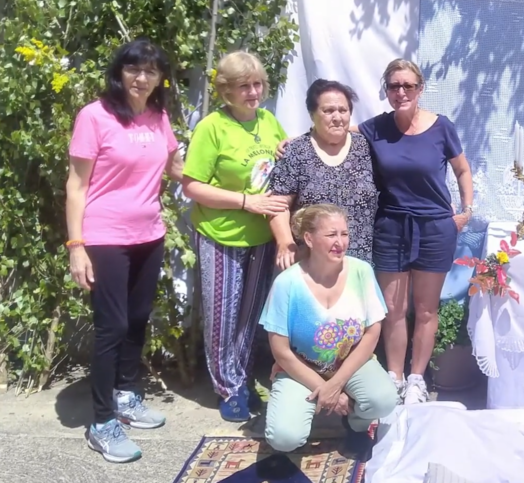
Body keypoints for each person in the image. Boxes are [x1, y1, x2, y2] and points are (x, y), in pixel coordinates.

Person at [66, 38, 183, 463]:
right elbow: (76, 186)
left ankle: (126, 395)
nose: (141, 78)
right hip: (104, 236)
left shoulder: (158, 116)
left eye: (150, 71)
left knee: (136, 319)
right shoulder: (94, 117)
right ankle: (101, 422)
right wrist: (76, 246)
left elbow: (173, 164)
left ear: (159, 78)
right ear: (119, 73)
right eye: (134, 69)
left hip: (149, 234)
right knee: (111, 326)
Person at [181, 51, 290, 422]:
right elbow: (192, 185)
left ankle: (239, 379)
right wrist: (245, 201)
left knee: (248, 317)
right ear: (226, 90)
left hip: (262, 236)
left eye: (257, 83)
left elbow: (282, 162)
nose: (253, 91)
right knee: (222, 316)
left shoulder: (268, 121)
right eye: (244, 85)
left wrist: (284, 149)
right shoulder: (212, 126)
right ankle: (226, 387)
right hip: (221, 234)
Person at [358, 59, 474, 405]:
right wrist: (291, 142)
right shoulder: (375, 128)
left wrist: (466, 211)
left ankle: (417, 379)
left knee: (425, 310)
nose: (401, 92)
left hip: (435, 228)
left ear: (420, 89)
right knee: (393, 309)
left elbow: (462, 170)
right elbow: (335, 131)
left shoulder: (442, 127)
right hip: (391, 226)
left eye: (408, 85)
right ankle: (394, 377)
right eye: (394, 86)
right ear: (386, 90)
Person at [262, 204, 397, 458]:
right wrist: (327, 391)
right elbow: (281, 351)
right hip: (300, 368)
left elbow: (372, 333)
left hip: (350, 363)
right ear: (309, 239)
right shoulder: (286, 283)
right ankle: (303, 416)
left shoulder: (361, 271)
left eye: (344, 234)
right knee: (283, 437)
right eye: (331, 235)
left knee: (383, 400)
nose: (340, 242)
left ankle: (356, 426)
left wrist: (336, 384)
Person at [268, 79, 377, 270]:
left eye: (343, 110)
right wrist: (285, 242)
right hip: (310, 263)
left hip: (359, 263)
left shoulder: (365, 147)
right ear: (312, 114)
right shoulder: (296, 151)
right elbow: (278, 204)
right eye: (328, 111)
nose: (337, 117)